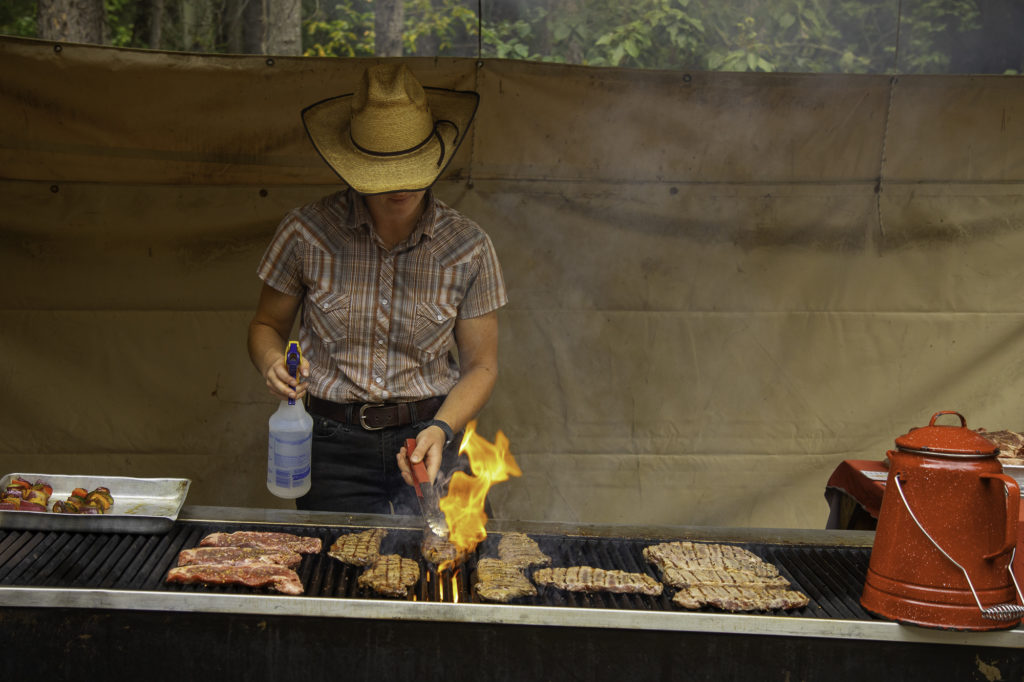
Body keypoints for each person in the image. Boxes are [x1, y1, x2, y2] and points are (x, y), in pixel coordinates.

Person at [247, 63, 507, 514]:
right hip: (332, 444)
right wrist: (272, 361)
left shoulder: (469, 247)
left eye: (411, 168)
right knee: (341, 571)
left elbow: (481, 366)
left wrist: (442, 429)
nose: (400, 185)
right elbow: (266, 325)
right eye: (384, 172)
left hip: (430, 435)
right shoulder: (305, 233)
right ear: (355, 166)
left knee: (446, 570)